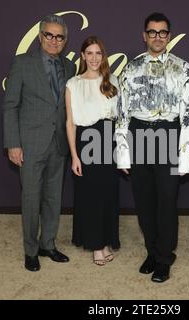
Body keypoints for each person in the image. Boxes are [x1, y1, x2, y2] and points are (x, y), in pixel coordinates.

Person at [116, 12, 189, 282]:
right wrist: (123, 153)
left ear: (169, 36)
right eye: (152, 32)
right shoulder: (131, 68)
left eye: (163, 32)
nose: (158, 37)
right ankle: (152, 250)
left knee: (166, 200)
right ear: (144, 35)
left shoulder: (183, 68)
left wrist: (186, 157)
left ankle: (164, 257)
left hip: (168, 134)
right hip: (139, 134)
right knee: (145, 200)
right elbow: (122, 113)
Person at [2, 15, 76, 272]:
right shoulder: (23, 63)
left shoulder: (69, 67)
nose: (54, 41)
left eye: (60, 37)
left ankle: (48, 244)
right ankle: (31, 250)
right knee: (32, 199)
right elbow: (10, 106)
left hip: (59, 144)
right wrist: (13, 144)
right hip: (30, 144)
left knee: (53, 198)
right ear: (40, 36)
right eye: (49, 35)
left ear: (65, 40)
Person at [65, 36, 120, 266]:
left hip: (110, 140)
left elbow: (120, 118)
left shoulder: (113, 80)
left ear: (103, 56)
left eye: (99, 53)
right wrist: (74, 155)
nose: (95, 58)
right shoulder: (73, 84)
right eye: (90, 53)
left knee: (108, 194)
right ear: (83, 56)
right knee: (91, 195)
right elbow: (70, 122)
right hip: (86, 141)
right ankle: (96, 245)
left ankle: (106, 239)